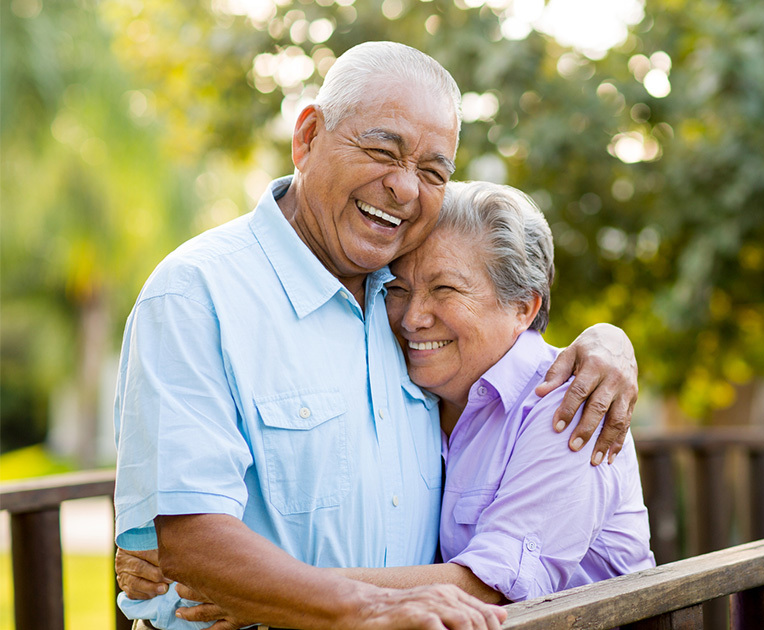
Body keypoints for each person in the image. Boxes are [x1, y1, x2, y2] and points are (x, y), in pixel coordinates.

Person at [113, 42, 638, 630]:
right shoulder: (196, 294)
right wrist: (351, 605)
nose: (406, 189)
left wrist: (607, 340)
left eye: (434, 171)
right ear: (307, 137)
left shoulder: (401, 302)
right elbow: (192, 543)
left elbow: (501, 333)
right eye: (382, 150)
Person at [152, 180, 654, 627]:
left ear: (523, 307)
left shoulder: (572, 405)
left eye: (445, 289)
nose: (413, 317)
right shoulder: (419, 390)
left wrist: (269, 592)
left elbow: (490, 586)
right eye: (399, 290)